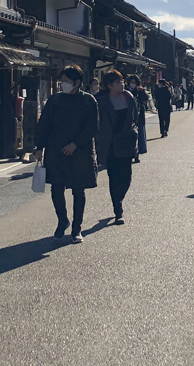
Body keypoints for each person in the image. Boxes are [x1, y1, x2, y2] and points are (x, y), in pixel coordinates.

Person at [34, 64, 99, 243]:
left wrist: (76, 144)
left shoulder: (88, 101)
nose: (62, 84)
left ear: (77, 82)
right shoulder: (55, 101)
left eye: (66, 81)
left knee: (79, 190)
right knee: (57, 188)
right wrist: (39, 147)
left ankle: (77, 228)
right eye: (61, 81)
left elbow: (92, 127)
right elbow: (44, 125)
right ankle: (62, 220)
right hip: (56, 151)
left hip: (81, 152)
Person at [96, 69, 137, 225]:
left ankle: (119, 198)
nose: (123, 84)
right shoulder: (100, 100)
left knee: (126, 177)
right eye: (119, 82)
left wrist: (134, 132)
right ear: (110, 85)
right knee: (113, 177)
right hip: (109, 143)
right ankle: (118, 209)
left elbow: (135, 116)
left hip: (126, 141)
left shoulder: (129, 97)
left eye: (122, 81)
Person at [126, 74, 149, 162]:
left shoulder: (140, 91)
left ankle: (137, 154)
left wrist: (142, 92)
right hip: (128, 116)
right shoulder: (125, 91)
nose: (133, 84)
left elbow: (145, 100)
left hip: (139, 115)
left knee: (139, 135)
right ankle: (131, 153)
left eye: (135, 82)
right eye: (131, 82)